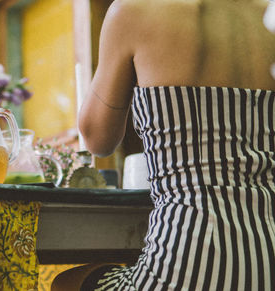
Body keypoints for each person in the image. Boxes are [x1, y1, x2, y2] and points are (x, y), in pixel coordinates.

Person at [53, 0, 275, 290]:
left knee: (65, 283)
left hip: (188, 258)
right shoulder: (269, 16)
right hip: (269, 255)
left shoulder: (133, 10)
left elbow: (98, 139)